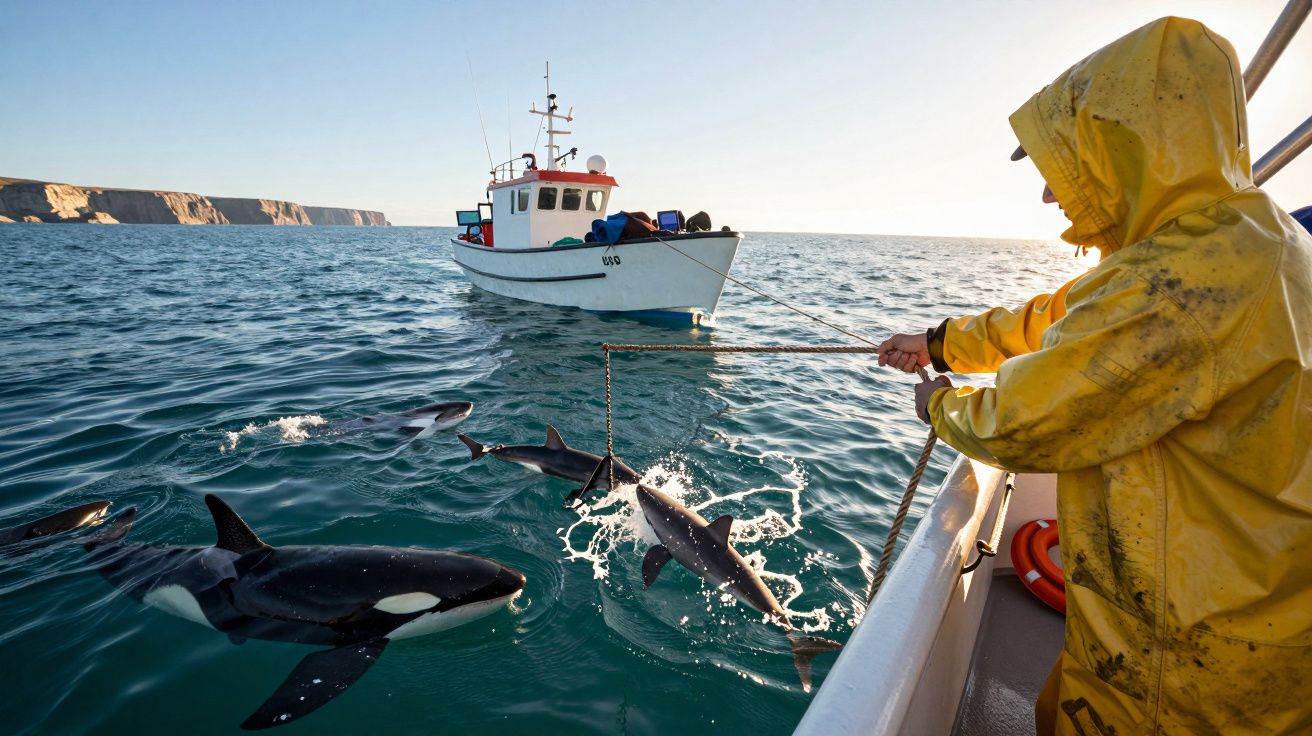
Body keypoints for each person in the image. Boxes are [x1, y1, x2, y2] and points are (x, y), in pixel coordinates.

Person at [877, 17, 1312, 735]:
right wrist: (939, 342)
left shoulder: (1173, 282)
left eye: (1069, 168)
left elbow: (1023, 422)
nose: (1053, 200)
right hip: (1264, 615)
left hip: (1189, 660)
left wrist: (939, 407)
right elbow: (1063, 316)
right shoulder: (1257, 239)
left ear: (1130, 146)